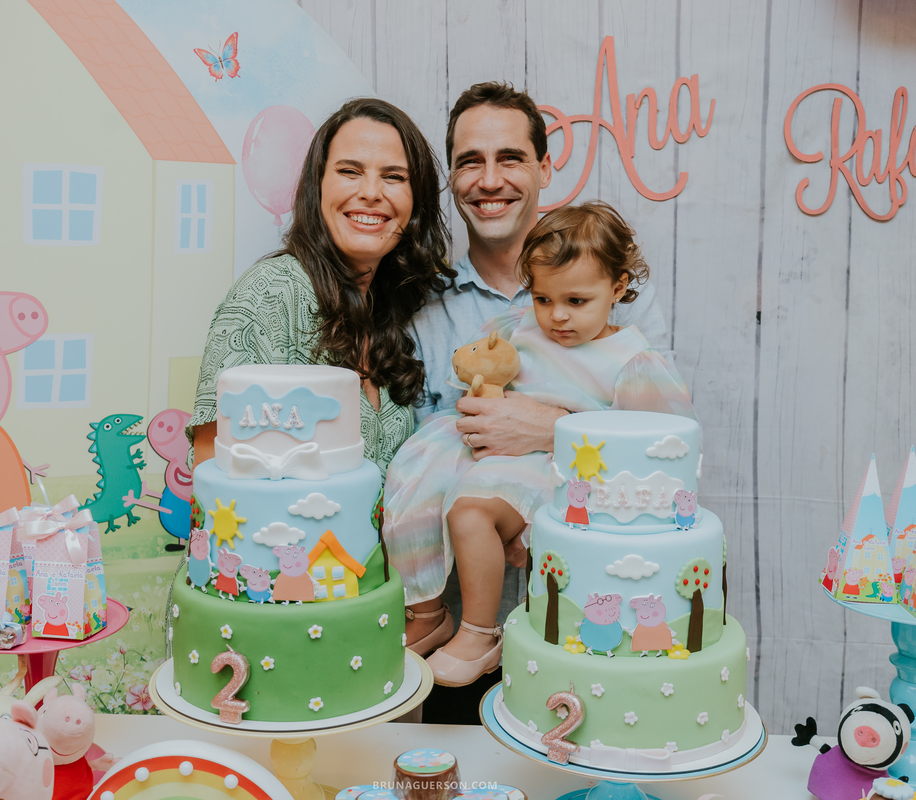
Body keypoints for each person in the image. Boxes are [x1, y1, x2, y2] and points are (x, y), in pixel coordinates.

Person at [402, 82, 673, 664]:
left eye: (511, 159)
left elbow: (660, 444)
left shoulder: (622, 299)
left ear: (545, 168)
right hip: (462, 632)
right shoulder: (424, 308)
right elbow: (425, 450)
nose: (490, 179)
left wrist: (554, 427)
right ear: (451, 178)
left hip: (589, 618)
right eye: (470, 162)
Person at [385, 201, 695, 686]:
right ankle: (425, 610)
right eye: (543, 299)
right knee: (413, 478)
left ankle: (479, 632)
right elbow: (480, 373)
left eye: (577, 301)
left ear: (617, 288)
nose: (557, 317)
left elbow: (655, 445)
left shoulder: (632, 360)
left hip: (559, 465)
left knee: (470, 513)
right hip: (493, 445)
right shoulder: (520, 330)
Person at [186, 97, 453, 473]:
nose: (372, 192)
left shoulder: (389, 312)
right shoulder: (271, 292)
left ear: (415, 201)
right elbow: (213, 468)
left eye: (394, 176)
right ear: (318, 185)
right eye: (350, 171)